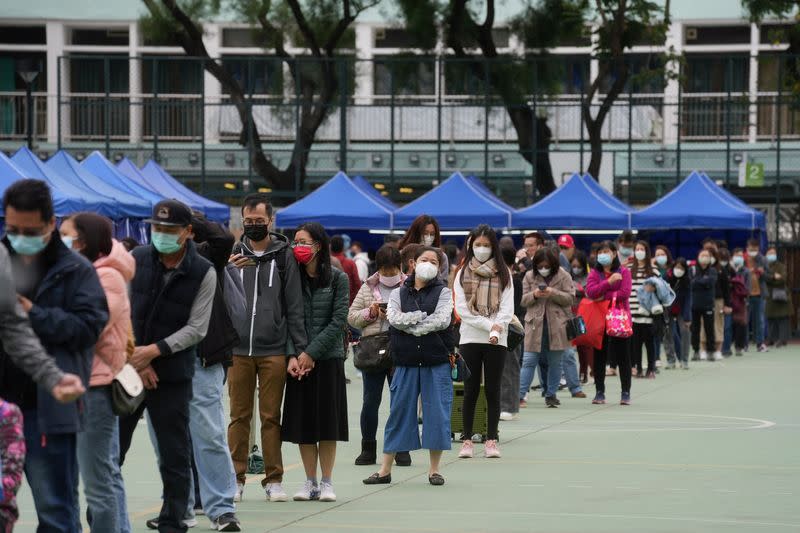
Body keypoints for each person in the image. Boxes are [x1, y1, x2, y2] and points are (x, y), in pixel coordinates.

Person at [1, 179, 108, 533]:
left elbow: (88, 327)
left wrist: (34, 313)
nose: (18, 237)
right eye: (11, 228)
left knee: (55, 511)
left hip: (46, 409)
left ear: (50, 223)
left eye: (29, 230)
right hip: (3, 406)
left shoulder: (76, 270)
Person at [119, 200, 220, 533]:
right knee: (110, 453)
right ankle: (105, 521)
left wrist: (155, 352)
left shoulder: (204, 271)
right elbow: (120, 313)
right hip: (128, 371)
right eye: (156, 228)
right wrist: (138, 357)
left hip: (173, 376)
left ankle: (173, 523)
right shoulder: (135, 260)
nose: (160, 234)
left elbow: (197, 328)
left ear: (188, 232)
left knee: (175, 457)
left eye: (169, 230)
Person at [227, 193, 307, 504]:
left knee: (271, 416)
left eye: (260, 222)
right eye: (249, 222)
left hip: (273, 349)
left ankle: (274, 480)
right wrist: (227, 269)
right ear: (242, 221)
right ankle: (236, 478)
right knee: (238, 416)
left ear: (270, 221)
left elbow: (294, 305)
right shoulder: (233, 253)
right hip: (237, 350)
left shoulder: (284, 255)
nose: (254, 226)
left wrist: (296, 350)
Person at [60, 214, 134, 533]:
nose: (58, 241)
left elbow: (87, 326)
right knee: (64, 477)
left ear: (84, 241)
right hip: (66, 384)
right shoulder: (72, 272)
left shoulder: (108, 277)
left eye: (65, 236)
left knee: (98, 480)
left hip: (95, 386)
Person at [362, 247, 454, 487]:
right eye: (424, 259)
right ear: (413, 263)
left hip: (437, 361)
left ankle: (434, 470)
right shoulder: (398, 293)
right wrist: (421, 320)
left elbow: (443, 320)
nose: (428, 264)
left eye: (434, 261)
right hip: (404, 362)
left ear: (439, 267)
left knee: (437, 414)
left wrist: (410, 323)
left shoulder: (444, 292)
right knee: (398, 413)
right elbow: (393, 318)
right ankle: (384, 470)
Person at [180, 214, 241, 530]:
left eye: (173, 228)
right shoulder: (146, 262)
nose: (165, 236)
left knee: (210, 433)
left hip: (204, 357)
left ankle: (221, 508)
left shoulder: (203, 256)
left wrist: (190, 218)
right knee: (173, 438)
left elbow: (223, 240)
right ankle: (180, 508)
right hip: (165, 360)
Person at [281, 223, 349, 503]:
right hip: (298, 362)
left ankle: (327, 482)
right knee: (304, 426)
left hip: (328, 359)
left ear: (318, 245)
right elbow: (285, 319)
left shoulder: (337, 279)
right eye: (295, 241)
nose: (298, 246)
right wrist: (293, 355)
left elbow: (338, 320)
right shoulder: (290, 277)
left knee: (327, 425)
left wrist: (311, 353)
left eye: (303, 241)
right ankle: (309, 482)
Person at [348, 245, 411, 466]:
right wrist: (371, 312)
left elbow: (419, 315)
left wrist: (396, 315)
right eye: (385, 271)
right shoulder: (367, 288)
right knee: (370, 401)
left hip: (402, 348)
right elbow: (352, 317)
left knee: (401, 402)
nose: (389, 275)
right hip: (373, 350)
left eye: (393, 270)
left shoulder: (410, 286)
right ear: (378, 269)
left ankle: (402, 448)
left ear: (400, 267)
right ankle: (368, 449)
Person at [454, 225, 514, 459]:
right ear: (471, 246)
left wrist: (498, 329)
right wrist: (492, 326)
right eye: (477, 245)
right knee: (470, 390)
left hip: (498, 340)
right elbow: (462, 310)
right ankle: (467, 440)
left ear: (494, 247)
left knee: (492, 390)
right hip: (470, 337)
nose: (481, 249)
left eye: (486, 245)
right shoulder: (462, 273)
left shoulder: (504, 273)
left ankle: (491, 439)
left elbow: (507, 309)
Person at [519, 246, 576, 408]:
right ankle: (520, 395)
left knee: (555, 363)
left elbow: (570, 299)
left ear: (553, 264)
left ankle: (551, 394)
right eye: (540, 266)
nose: (543, 269)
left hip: (558, 325)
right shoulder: (529, 276)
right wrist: (534, 295)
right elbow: (523, 300)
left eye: (546, 266)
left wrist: (553, 292)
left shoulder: (564, 275)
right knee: (529, 360)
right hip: (534, 325)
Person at [585, 241, 633, 405]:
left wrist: (604, 295)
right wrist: (609, 282)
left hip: (619, 319)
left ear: (614, 253)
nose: (603, 255)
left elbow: (624, 293)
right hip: (599, 320)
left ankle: (625, 392)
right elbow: (591, 292)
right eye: (600, 252)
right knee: (599, 356)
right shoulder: (593, 273)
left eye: (606, 251)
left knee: (623, 356)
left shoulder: (624, 271)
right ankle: (599, 392)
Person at [629, 241, 659, 378]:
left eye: (642, 249)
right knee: (636, 344)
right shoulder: (628, 269)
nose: (639, 251)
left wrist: (654, 288)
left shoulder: (653, 270)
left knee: (649, 343)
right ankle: (638, 368)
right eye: (637, 249)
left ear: (647, 252)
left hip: (648, 313)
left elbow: (661, 290)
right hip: (633, 313)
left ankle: (651, 368)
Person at [499, 245, 523, 421]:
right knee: (504, 368)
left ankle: (509, 406)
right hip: (498, 326)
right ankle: (506, 405)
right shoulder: (502, 278)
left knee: (509, 367)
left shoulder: (513, 279)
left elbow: (512, 307)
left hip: (510, 326)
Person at [699, 242, 729, 361]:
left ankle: (717, 351)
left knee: (718, 325)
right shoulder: (699, 269)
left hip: (718, 301)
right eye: (706, 254)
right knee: (703, 325)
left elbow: (726, 289)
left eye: (711, 254)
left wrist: (727, 304)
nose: (708, 257)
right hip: (703, 300)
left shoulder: (721, 270)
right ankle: (703, 350)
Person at [397, 215, 450, 279]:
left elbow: (443, 282)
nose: (429, 237)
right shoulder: (403, 254)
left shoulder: (441, 256)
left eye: (432, 234)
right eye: (425, 233)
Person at [690, 248, 718, 362]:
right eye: (702, 255)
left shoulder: (713, 270)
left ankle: (711, 351)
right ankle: (696, 351)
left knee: (709, 329)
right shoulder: (692, 269)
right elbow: (691, 283)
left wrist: (699, 281)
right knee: (695, 329)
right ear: (698, 256)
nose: (704, 257)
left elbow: (710, 282)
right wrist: (703, 281)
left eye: (707, 255)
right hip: (695, 305)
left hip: (708, 305)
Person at [570, 251, 593, 383]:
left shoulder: (589, 277)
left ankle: (589, 371)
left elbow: (591, 294)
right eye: (573, 266)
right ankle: (581, 373)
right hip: (572, 314)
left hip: (586, 314)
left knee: (586, 346)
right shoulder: (567, 277)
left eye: (578, 266)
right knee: (578, 346)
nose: (576, 268)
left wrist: (580, 292)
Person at [667, 258, 692, 369]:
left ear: (685, 270)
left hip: (682, 310)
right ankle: (670, 360)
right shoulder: (666, 279)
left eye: (681, 268)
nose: (679, 270)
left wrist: (687, 317)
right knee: (667, 334)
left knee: (685, 332)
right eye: (677, 267)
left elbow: (688, 299)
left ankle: (684, 360)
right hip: (668, 310)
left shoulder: (687, 282)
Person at [652, 245, 676, 365]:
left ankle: (672, 357)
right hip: (655, 304)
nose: (660, 257)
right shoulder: (652, 269)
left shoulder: (673, 269)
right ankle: (656, 358)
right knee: (656, 332)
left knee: (670, 332)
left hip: (670, 305)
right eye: (658, 255)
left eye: (663, 254)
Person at [764, 247, 791, 348]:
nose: (772, 255)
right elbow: (763, 277)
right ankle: (771, 339)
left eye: (773, 253)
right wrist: (773, 276)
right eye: (770, 253)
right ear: (766, 255)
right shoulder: (764, 266)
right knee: (770, 318)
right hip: (768, 295)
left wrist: (769, 278)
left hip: (780, 295)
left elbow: (782, 279)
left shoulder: (781, 266)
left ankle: (782, 339)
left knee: (782, 318)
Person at [745, 239, 768, 352]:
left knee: (760, 320)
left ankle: (760, 344)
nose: (752, 251)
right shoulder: (743, 259)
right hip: (746, 295)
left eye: (755, 249)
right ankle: (744, 344)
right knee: (745, 319)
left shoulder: (763, 259)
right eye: (750, 249)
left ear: (758, 249)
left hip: (760, 294)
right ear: (747, 248)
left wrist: (763, 273)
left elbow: (768, 276)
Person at [728, 249, 751, 356]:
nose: (739, 257)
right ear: (733, 256)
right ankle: (727, 346)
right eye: (737, 255)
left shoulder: (746, 271)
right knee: (729, 324)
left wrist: (745, 297)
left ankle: (740, 346)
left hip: (741, 301)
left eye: (741, 255)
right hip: (730, 300)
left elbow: (747, 287)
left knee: (741, 324)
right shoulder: (728, 269)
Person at [331, 235, 361, 304]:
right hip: (347, 302)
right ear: (343, 247)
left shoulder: (324, 263)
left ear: (330, 247)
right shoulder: (350, 263)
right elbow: (357, 284)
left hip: (328, 302)